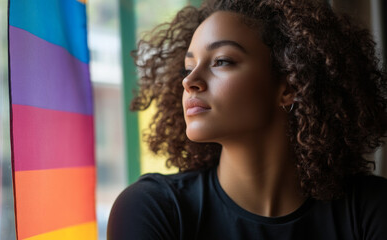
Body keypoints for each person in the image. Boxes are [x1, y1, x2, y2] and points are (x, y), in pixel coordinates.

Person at [107, 0, 387, 239]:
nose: (189, 81)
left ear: (290, 85)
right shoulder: (152, 209)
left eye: (222, 61)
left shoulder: (370, 208)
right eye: (188, 67)